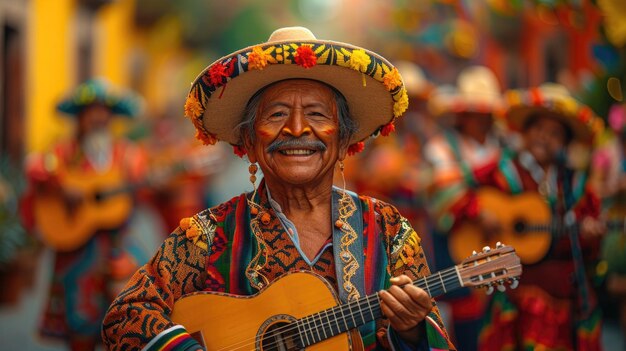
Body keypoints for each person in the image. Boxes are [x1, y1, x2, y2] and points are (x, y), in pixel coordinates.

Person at [102, 26, 454, 351]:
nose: (297, 128)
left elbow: (435, 337)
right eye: (276, 115)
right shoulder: (206, 237)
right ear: (250, 142)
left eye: (317, 114)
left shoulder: (389, 231)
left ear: (344, 139)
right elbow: (125, 317)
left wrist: (409, 332)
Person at [21, 79, 148, 351]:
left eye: (103, 111)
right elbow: (34, 166)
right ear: (80, 118)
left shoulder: (127, 153)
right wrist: (62, 185)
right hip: (74, 249)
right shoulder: (64, 152)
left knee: (128, 318)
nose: (98, 118)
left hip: (116, 247)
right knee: (79, 321)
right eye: (91, 112)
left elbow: (144, 185)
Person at [479, 84, 606, 351]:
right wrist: (480, 213)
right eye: (539, 129)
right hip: (516, 290)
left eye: (555, 133)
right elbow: (457, 191)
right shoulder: (502, 170)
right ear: (525, 131)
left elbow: (590, 243)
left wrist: (589, 235)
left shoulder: (575, 183)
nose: (544, 138)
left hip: (566, 292)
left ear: (566, 143)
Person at [422, 65, 505, 350]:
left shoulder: (506, 148)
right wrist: (478, 212)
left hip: (499, 245)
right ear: (462, 114)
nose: (480, 119)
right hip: (455, 247)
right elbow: (444, 192)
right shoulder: (441, 148)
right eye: (474, 112)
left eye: (485, 113)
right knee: (464, 323)